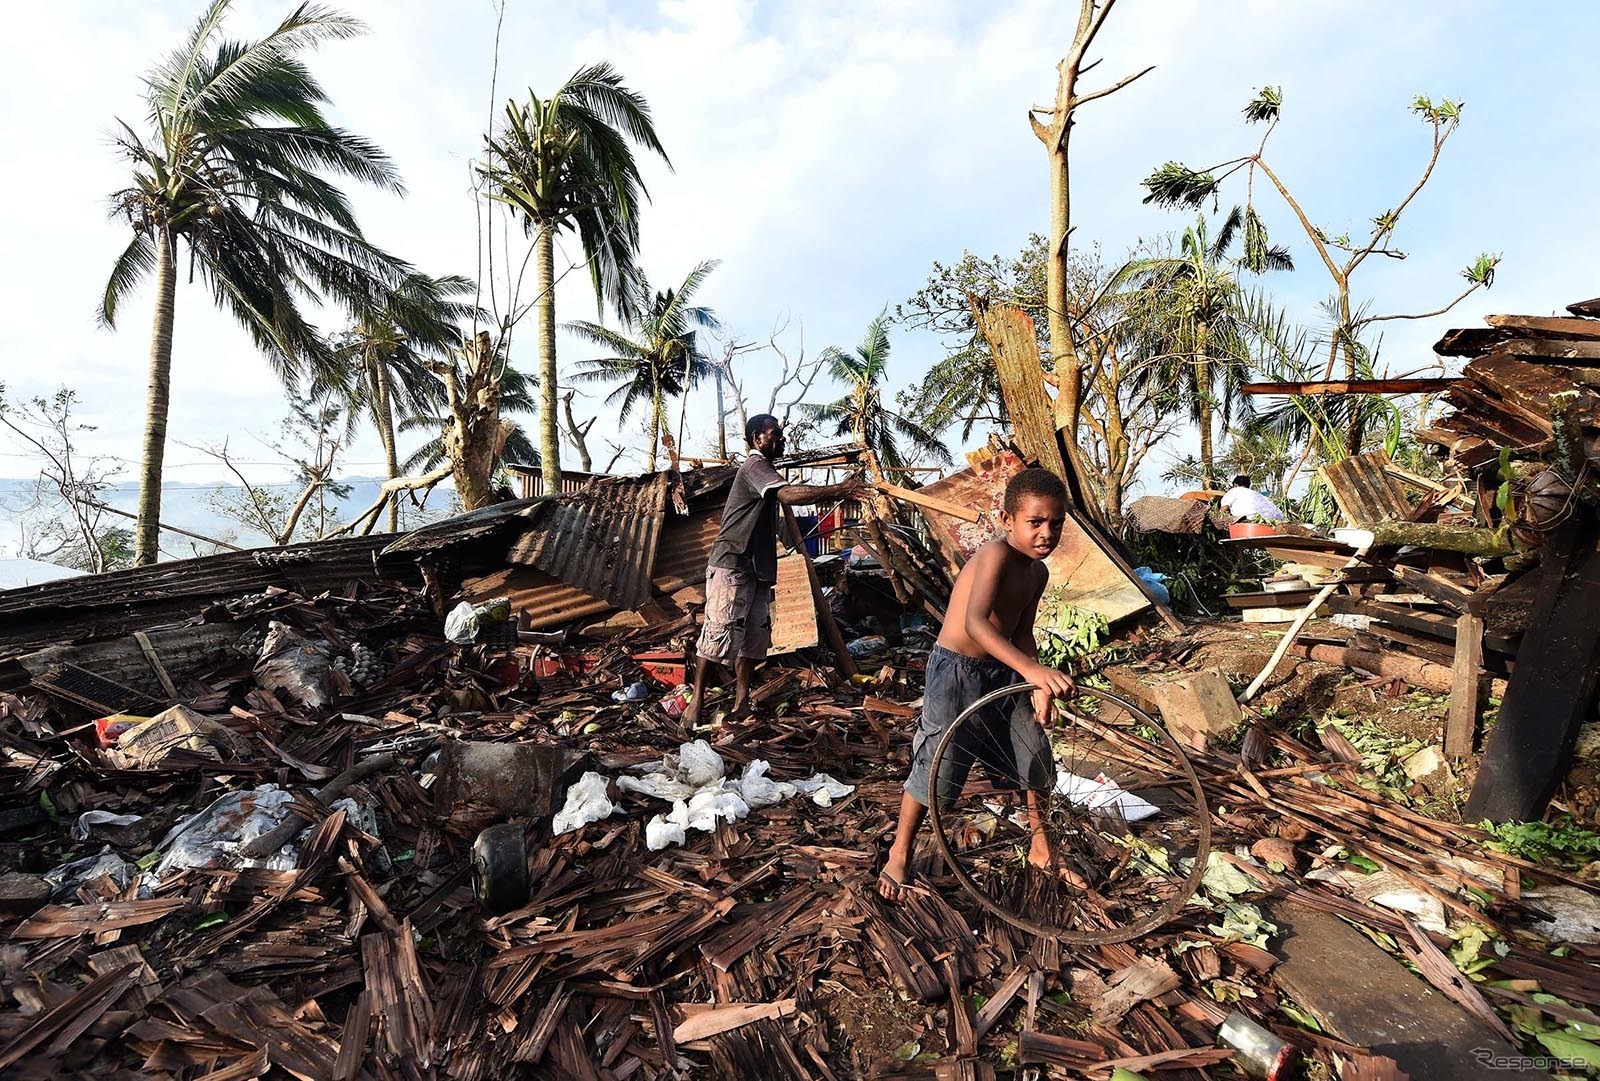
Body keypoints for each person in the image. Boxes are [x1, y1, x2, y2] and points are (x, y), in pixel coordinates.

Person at [878, 467, 1079, 904]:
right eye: (1035, 522)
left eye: (1056, 523)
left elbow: (1022, 634)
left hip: (1004, 673)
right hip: (957, 672)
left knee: (1035, 753)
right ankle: (900, 851)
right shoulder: (994, 556)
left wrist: (1036, 683)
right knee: (937, 762)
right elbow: (975, 622)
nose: (1047, 533)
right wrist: (1031, 672)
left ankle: (1042, 847)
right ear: (1008, 520)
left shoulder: (1037, 574)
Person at [684, 414, 869, 727]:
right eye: (775, 434)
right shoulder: (754, 466)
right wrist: (839, 490)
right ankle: (696, 705)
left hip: (757, 569)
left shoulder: (766, 469)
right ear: (758, 438)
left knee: (754, 639)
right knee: (718, 633)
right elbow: (788, 495)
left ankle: (742, 703)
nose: (781, 439)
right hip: (732, 563)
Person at [1218, 474, 1286, 523]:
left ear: (1235, 485)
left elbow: (1223, 509)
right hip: (1275, 521)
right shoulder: (1259, 495)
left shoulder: (1234, 491)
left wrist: (1218, 518)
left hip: (1251, 520)